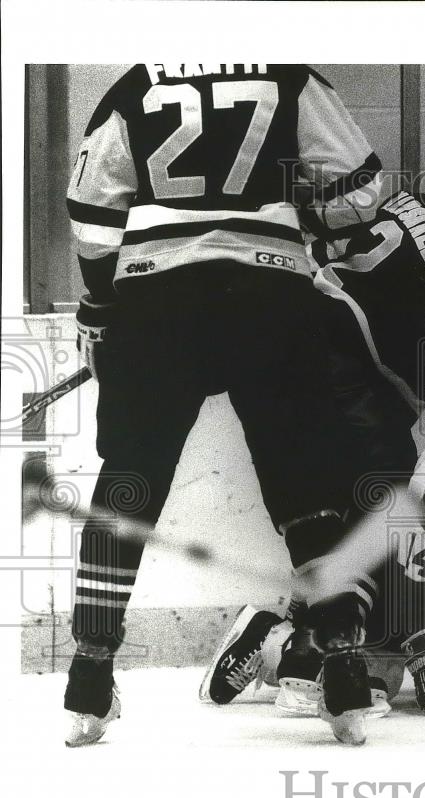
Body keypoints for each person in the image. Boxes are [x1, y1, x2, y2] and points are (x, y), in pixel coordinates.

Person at [64, 63, 385, 747]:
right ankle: (346, 677)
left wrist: (99, 302)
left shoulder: (134, 85)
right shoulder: (292, 77)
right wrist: (309, 228)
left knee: (128, 480)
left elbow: (92, 215)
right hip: (269, 295)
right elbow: (363, 192)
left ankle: (88, 687)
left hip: (155, 302)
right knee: (307, 484)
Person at [198, 135, 425, 734]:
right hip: (344, 377)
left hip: (287, 344)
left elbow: (325, 239)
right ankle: (300, 657)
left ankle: (276, 631)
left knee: (329, 516)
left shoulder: (409, 199)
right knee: (381, 518)